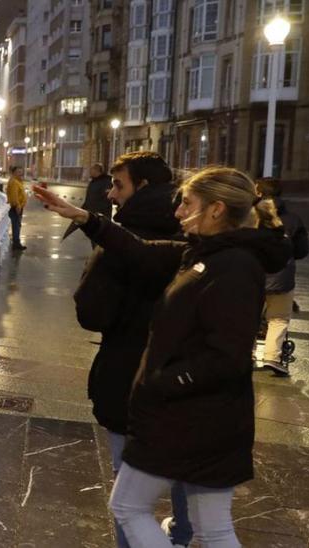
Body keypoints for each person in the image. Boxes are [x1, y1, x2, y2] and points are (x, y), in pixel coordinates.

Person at [33, 167, 291, 548]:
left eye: (187, 203)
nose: (177, 212)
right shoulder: (207, 253)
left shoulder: (233, 266)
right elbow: (139, 250)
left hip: (188, 415)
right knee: (213, 529)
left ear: (216, 210)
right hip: (205, 416)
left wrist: (162, 382)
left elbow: (227, 356)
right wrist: (85, 218)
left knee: (128, 507)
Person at [72, 152, 194, 547]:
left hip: (127, 373)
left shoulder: (122, 244)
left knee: (128, 490)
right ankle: (180, 534)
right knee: (181, 470)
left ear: (141, 187)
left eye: (118, 184)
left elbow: (92, 313)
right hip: (184, 377)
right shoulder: (193, 239)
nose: (110, 192)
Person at [255, 178, 309, 377]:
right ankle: (272, 357)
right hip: (282, 277)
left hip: (253, 274)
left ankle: (247, 354)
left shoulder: (250, 216)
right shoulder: (293, 219)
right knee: (278, 318)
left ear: (258, 193)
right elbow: (302, 250)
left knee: (250, 315)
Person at [7, 166, 28, 250]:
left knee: (17, 225)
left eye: (21, 172)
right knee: (16, 225)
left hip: (18, 206)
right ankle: (16, 244)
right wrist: (17, 205)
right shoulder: (14, 182)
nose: (20, 173)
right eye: (18, 172)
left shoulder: (17, 181)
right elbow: (14, 195)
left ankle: (16, 242)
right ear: (14, 173)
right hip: (16, 207)